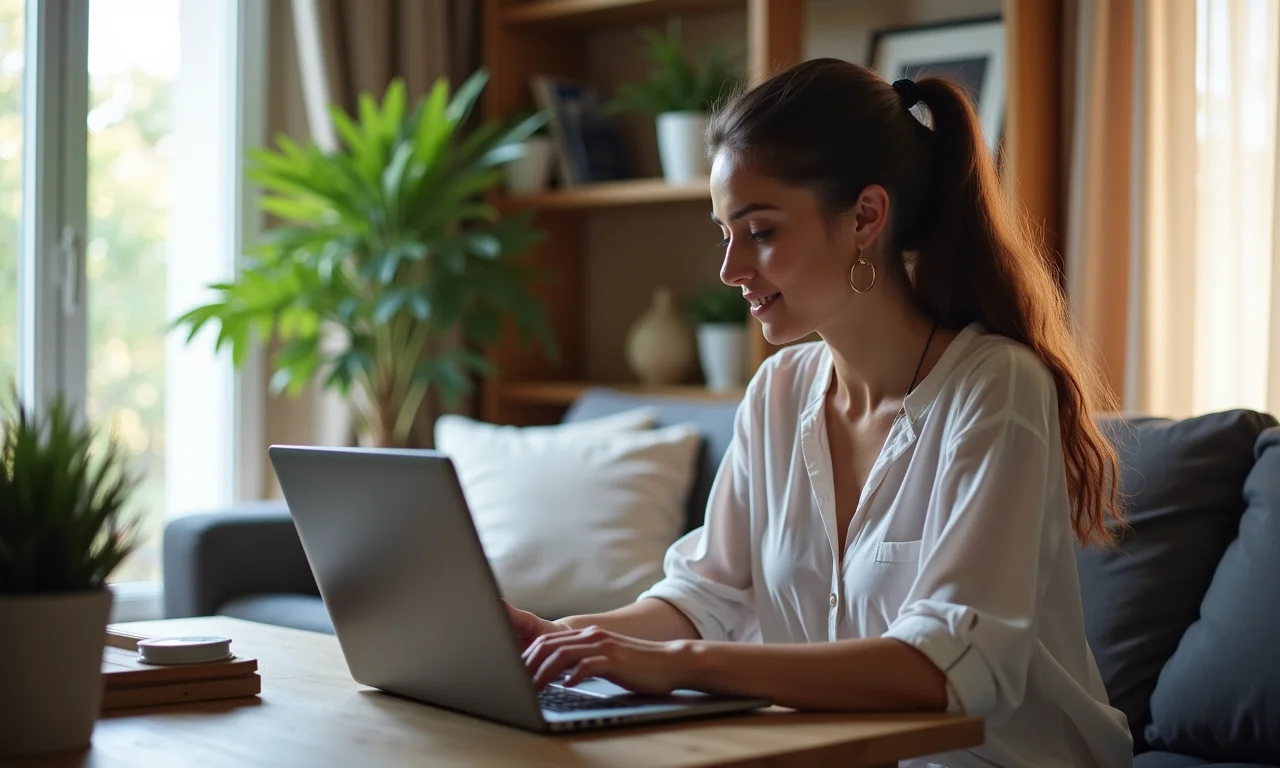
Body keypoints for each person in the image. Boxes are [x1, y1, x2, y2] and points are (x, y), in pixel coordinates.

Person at [504, 58, 1133, 767]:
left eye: (761, 231)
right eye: (724, 234)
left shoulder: (994, 389)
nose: (730, 269)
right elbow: (706, 594)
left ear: (866, 216)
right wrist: (555, 641)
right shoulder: (777, 393)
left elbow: (950, 666)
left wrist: (684, 664)